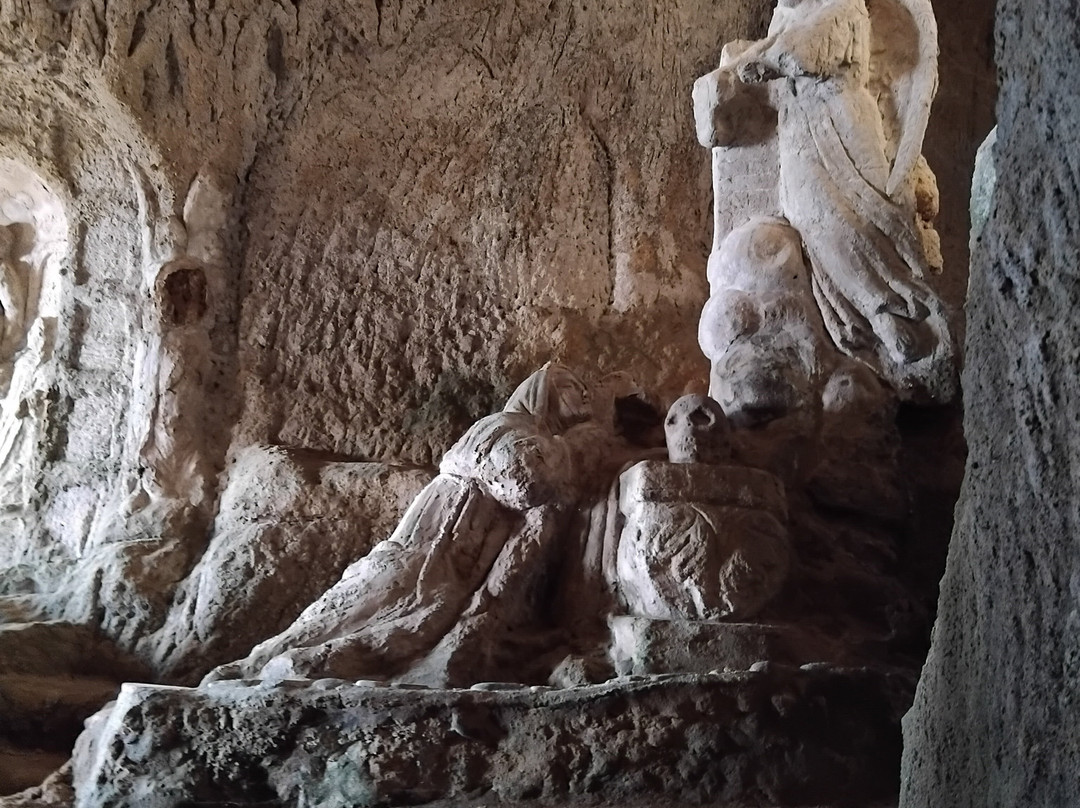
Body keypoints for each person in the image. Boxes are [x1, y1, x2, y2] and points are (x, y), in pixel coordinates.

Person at [206, 364, 612, 687]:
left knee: (361, 618)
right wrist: (579, 443)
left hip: (441, 554)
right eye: (574, 387)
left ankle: (264, 667)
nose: (585, 396)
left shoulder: (518, 431)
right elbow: (524, 480)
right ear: (547, 392)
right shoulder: (504, 427)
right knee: (359, 616)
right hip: (428, 550)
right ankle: (255, 668)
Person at [721, 0, 957, 402]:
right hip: (800, 130)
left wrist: (757, 59)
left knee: (858, 218)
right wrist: (747, 61)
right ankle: (876, 319)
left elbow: (802, 52)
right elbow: (770, 54)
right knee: (807, 218)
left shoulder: (844, 10)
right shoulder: (787, 15)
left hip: (841, 125)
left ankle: (901, 309)